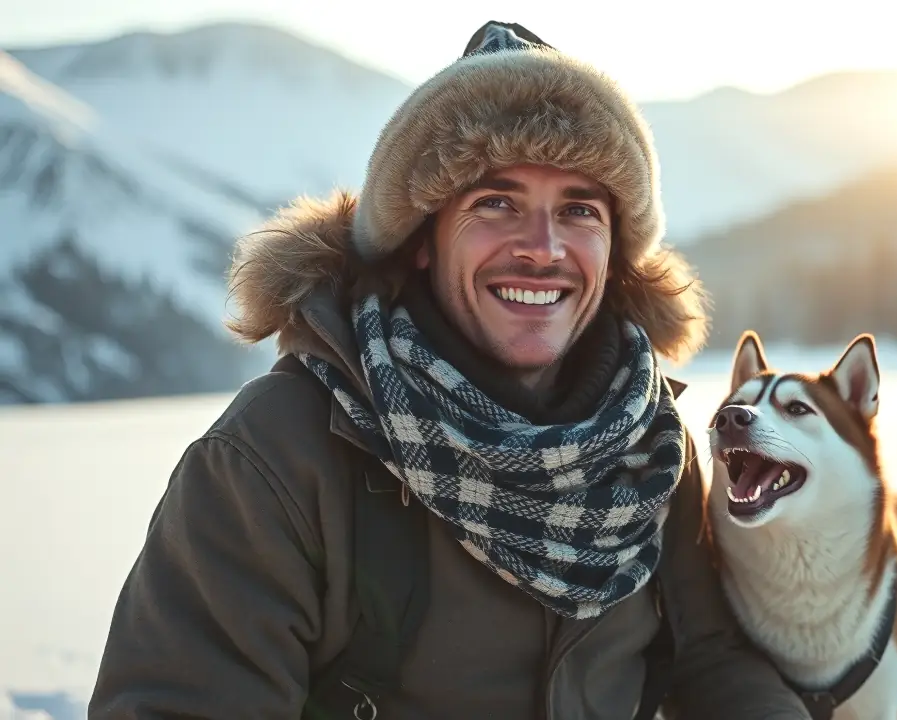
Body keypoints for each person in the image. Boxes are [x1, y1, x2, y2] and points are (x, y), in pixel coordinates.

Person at [87, 20, 810, 720]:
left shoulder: (648, 446)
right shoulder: (278, 457)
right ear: (423, 239)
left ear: (614, 249)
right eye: (496, 203)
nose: (542, 247)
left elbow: (710, 660)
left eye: (580, 210)